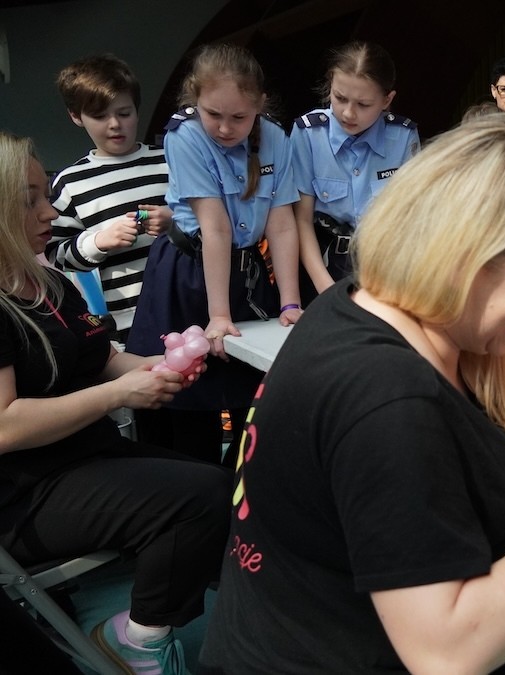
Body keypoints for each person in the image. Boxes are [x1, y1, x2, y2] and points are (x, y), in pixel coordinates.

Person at [195, 113, 505, 674]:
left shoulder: (362, 309)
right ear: (463, 261)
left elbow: (462, 386)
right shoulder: (389, 404)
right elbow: (445, 654)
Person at [0, 131, 231, 675]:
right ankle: (135, 640)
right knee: (200, 498)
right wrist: (120, 393)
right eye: (31, 197)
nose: (48, 209)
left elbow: (104, 360)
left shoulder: (47, 284)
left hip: (85, 457)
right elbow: (4, 425)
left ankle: (151, 626)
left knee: (230, 489)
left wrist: (164, 366)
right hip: (23, 493)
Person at [126, 43, 303, 466]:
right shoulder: (184, 135)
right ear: (195, 102)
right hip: (188, 273)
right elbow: (215, 226)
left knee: (251, 396)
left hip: (244, 274)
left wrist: (290, 302)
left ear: (259, 106)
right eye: (213, 114)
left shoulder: (277, 136)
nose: (224, 128)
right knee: (187, 394)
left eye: (239, 117)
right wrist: (218, 315)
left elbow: (280, 224)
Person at [47, 53, 172, 342]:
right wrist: (98, 242)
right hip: (130, 322)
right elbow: (58, 254)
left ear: (137, 110)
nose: (115, 124)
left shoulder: (171, 161)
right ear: (76, 116)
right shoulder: (70, 183)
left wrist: (175, 221)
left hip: (193, 306)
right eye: (100, 116)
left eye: (124, 113)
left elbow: (213, 220)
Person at [291, 41, 419, 299]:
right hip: (321, 267)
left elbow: (410, 221)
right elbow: (301, 220)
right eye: (340, 98)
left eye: (363, 104)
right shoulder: (309, 134)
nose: (348, 113)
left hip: (383, 270)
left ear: (387, 100)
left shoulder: (403, 136)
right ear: (330, 86)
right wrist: (327, 291)